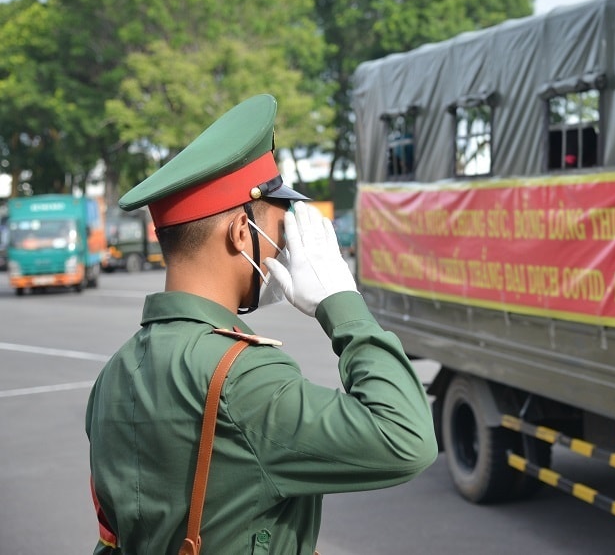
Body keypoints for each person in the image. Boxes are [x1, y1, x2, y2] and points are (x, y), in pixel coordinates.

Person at [85, 94, 437, 554]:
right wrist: (341, 302)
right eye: (278, 227)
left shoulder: (114, 373)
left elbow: (112, 540)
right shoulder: (243, 376)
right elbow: (406, 439)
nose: (282, 247)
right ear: (238, 233)